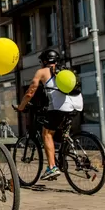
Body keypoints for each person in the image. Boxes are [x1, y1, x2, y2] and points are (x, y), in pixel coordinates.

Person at [17, 48, 84, 180]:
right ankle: (67, 152)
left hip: (60, 107)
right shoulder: (66, 70)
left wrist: (21, 107)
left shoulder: (42, 72)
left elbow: (30, 92)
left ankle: (52, 167)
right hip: (77, 104)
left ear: (44, 61)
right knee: (62, 131)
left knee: (47, 133)